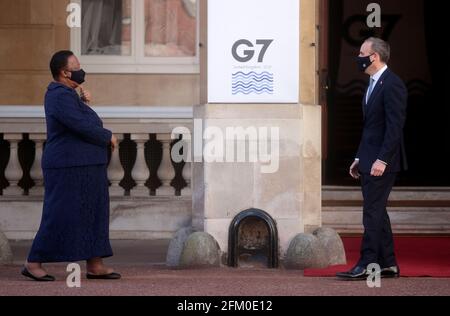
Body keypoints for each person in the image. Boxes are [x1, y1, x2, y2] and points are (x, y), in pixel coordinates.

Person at [22, 50, 121, 281]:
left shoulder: (70, 95)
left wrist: (84, 103)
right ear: (65, 72)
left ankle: (95, 264)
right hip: (67, 166)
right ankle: (33, 261)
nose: (80, 69)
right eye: (76, 66)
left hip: (85, 165)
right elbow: (80, 126)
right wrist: (108, 136)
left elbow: (82, 121)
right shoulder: (58, 95)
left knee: (93, 214)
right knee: (59, 214)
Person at [336, 37, 408, 280]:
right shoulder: (372, 83)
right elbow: (371, 128)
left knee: (371, 212)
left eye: (362, 53)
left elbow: (394, 128)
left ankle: (367, 263)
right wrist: (359, 157)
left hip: (382, 163)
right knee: (378, 212)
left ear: (374, 56)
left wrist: (382, 160)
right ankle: (388, 263)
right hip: (368, 159)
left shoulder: (392, 84)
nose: (359, 57)